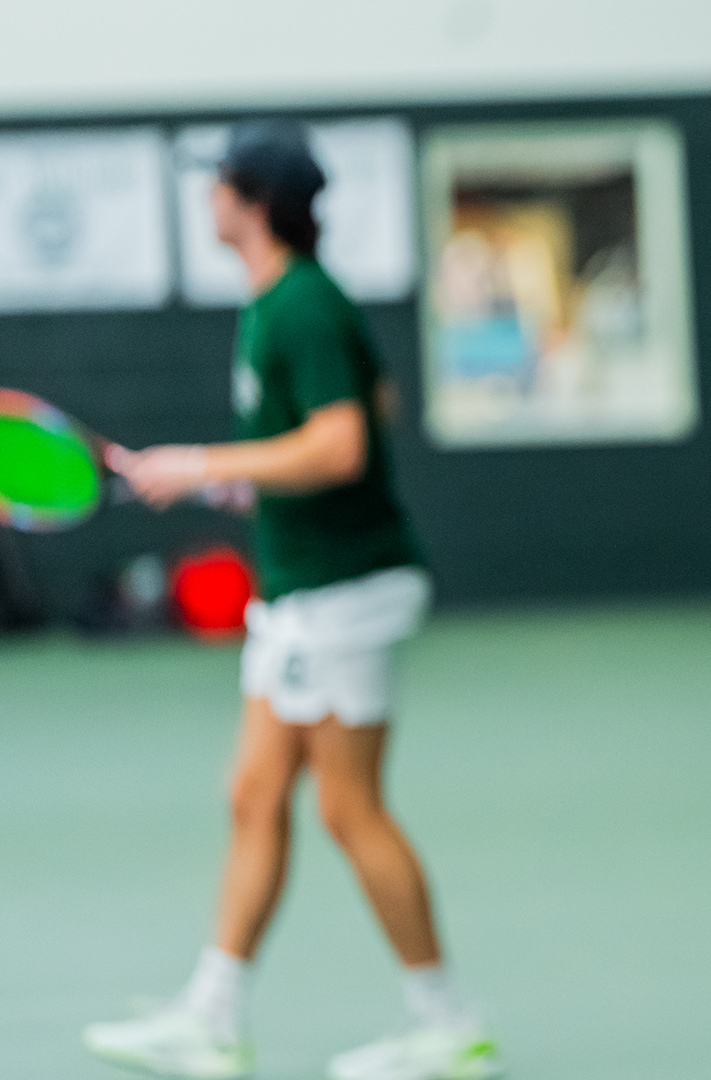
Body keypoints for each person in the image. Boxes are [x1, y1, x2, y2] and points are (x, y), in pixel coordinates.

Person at [84, 120, 502, 1080]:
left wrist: (202, 466)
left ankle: (446, 1020)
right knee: (253, 794)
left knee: (350, 810)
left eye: (219, 185)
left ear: (252, 199)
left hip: (342, 591)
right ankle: (213, 1013)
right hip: (299, 590)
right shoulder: (282, 303)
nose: (207, 201)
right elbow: (366, 408)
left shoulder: (302, 306)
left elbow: (346, 442)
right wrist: (248, 480)